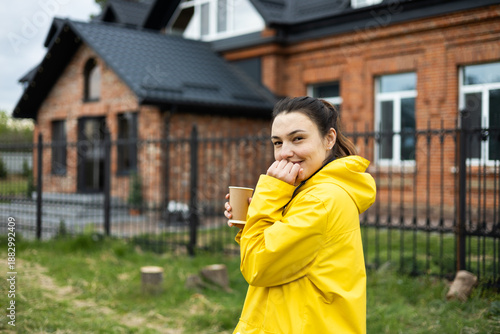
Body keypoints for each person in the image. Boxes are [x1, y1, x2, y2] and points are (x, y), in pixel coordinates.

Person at [224, 96, 376, 334]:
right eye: (277, 143)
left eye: (297, 139)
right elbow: (283, 253)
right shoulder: (311, 191)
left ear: (329, 139)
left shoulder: (319, 200)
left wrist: (269, 197)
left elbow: (258, 266)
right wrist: (252, 219)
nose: (285, 152)